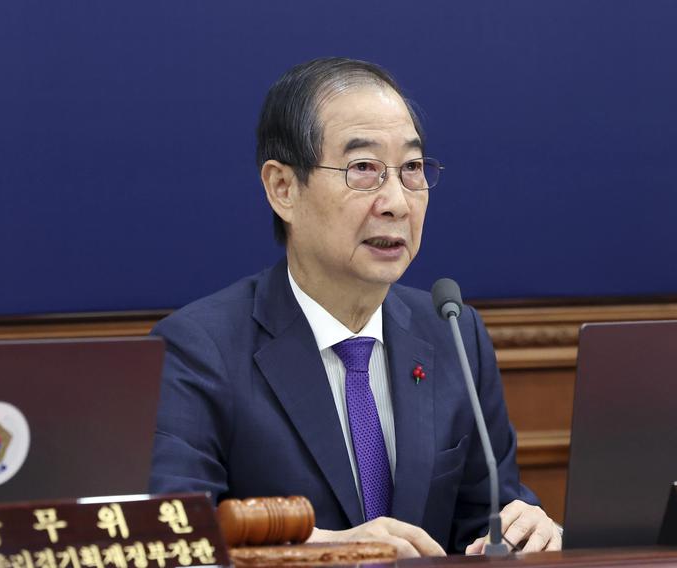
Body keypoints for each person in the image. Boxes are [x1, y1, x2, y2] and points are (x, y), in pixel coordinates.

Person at [149, 57, 561, 557]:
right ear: (283, 188)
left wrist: (521, 530)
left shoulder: (453, 332)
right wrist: (326, 548)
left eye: (411, 169)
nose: (397, 203)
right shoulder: (198, 349)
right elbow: (172, 535)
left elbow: (484, 514)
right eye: (363, 169)